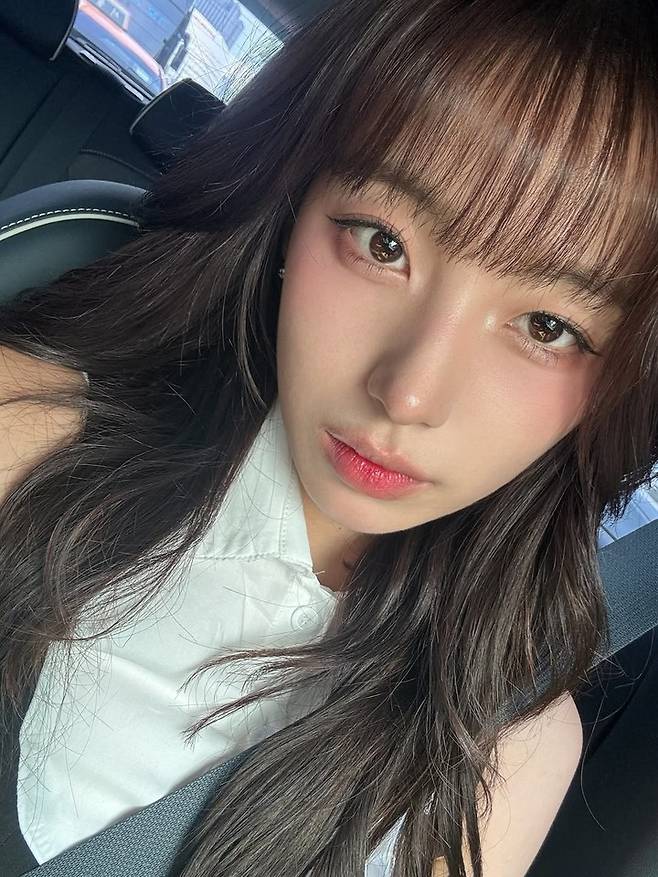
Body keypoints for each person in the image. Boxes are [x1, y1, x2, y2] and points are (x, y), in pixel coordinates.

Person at [0, 0, 656, 875]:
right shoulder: (29, 428)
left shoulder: (513, 741)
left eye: (547, 326)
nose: (409, 393)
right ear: (292, 205)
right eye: (382, 243)